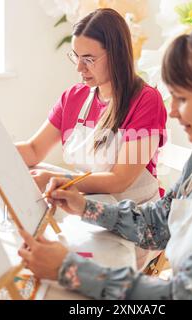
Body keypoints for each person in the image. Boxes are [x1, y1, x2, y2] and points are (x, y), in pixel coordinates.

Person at [18, 23, 192, 300]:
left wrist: (68, 269)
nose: (173, 112)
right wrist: (85, 207)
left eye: (181, 98)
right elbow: (158, 225)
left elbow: (183, 295)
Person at [16, 8, 167, 206]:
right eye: (76, 56)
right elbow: (34, 149)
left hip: (134, 214)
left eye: (88, 59)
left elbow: (120, 180)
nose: (79, 67)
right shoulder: (73, 97)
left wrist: (56, 180)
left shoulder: (145, 101)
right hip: (92, 205)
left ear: (116, 55)